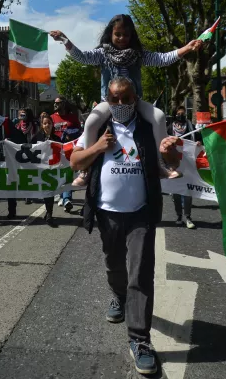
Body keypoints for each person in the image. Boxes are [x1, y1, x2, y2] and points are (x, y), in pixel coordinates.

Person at [70, 76, 181, 376]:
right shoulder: (97, 129)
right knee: (114, 265)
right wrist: (98, 147)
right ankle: (118, 296)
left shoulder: (148, 128)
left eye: (126, 98)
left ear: (136, 98)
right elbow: (75, 162)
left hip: (141, 213)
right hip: (107, 213)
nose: (120, 104)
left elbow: (172, 161)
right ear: (107, 100)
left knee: (140, 273)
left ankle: (140, 340)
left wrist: (169, 150)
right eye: (114, 99)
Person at [50, 14, 201, 182]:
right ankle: (86, 168)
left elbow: (162, 59)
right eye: (118, 34)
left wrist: (186, 48)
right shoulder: (102, 53)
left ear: (132, 36)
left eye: (126, 35)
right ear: (110, 34)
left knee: (159, 116)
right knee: (91, 122)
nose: (122, 38)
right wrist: (66, 41)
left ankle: (161, 165)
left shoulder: (138, 54)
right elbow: (82, 57)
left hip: (133, 101)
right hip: (110, 102)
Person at [167, 105, 199, 229]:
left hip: (188, 162)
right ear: (175, 114)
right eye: (179, 113)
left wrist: (198, 143)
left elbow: (198, 138)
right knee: (176, 190)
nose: (181, 115)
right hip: (174, 162)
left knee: (187, 190)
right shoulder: (170, 127)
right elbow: (164, 141)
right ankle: (179, 215)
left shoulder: (190, 126)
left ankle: (188, 217)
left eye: (183, 113)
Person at [50, 97, 80, 212]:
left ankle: (67, 199)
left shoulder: (72, 117)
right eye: (54, 103)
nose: (55, 104)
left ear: (63, 104)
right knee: (58, 174)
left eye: (57, 103)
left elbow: (80, 131)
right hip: (55, 151)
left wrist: (71, 133)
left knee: (68, 174)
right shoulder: (52, 117)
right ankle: (62, 195)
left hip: (69, 150)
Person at [31, 115, 61, 226]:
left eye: (49, 123)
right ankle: (48, 213)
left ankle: (49, 214)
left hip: (51, 170)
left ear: (52, 125)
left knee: (49, 191)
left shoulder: (57, 139)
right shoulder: (36, 137)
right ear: (41, 125)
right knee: (43, 192)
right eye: (45, 123)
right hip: (39, 169)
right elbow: (29, 149)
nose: (47, 125)